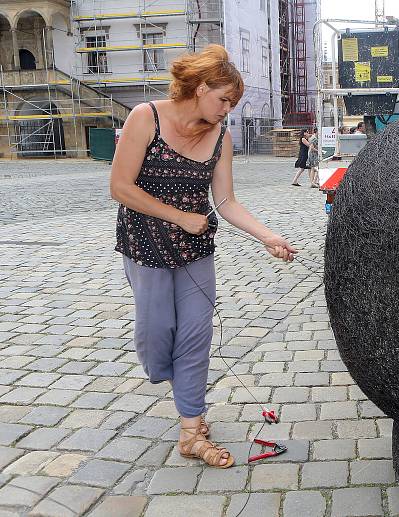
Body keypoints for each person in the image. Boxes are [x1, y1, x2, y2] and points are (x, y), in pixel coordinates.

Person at [109, 44, 297, 468]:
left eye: (232, 102)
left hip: (195, 251)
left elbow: (226, 201)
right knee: (157, 335)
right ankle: (179, 385)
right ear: (197, 87)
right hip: (145, 246)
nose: (227, 109)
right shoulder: (146, 117)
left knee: (195, 337)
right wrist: (180, 216)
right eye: (223, 99)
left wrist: (269, 237)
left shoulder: (220, 137)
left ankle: (191, 428)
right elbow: (120, 187)